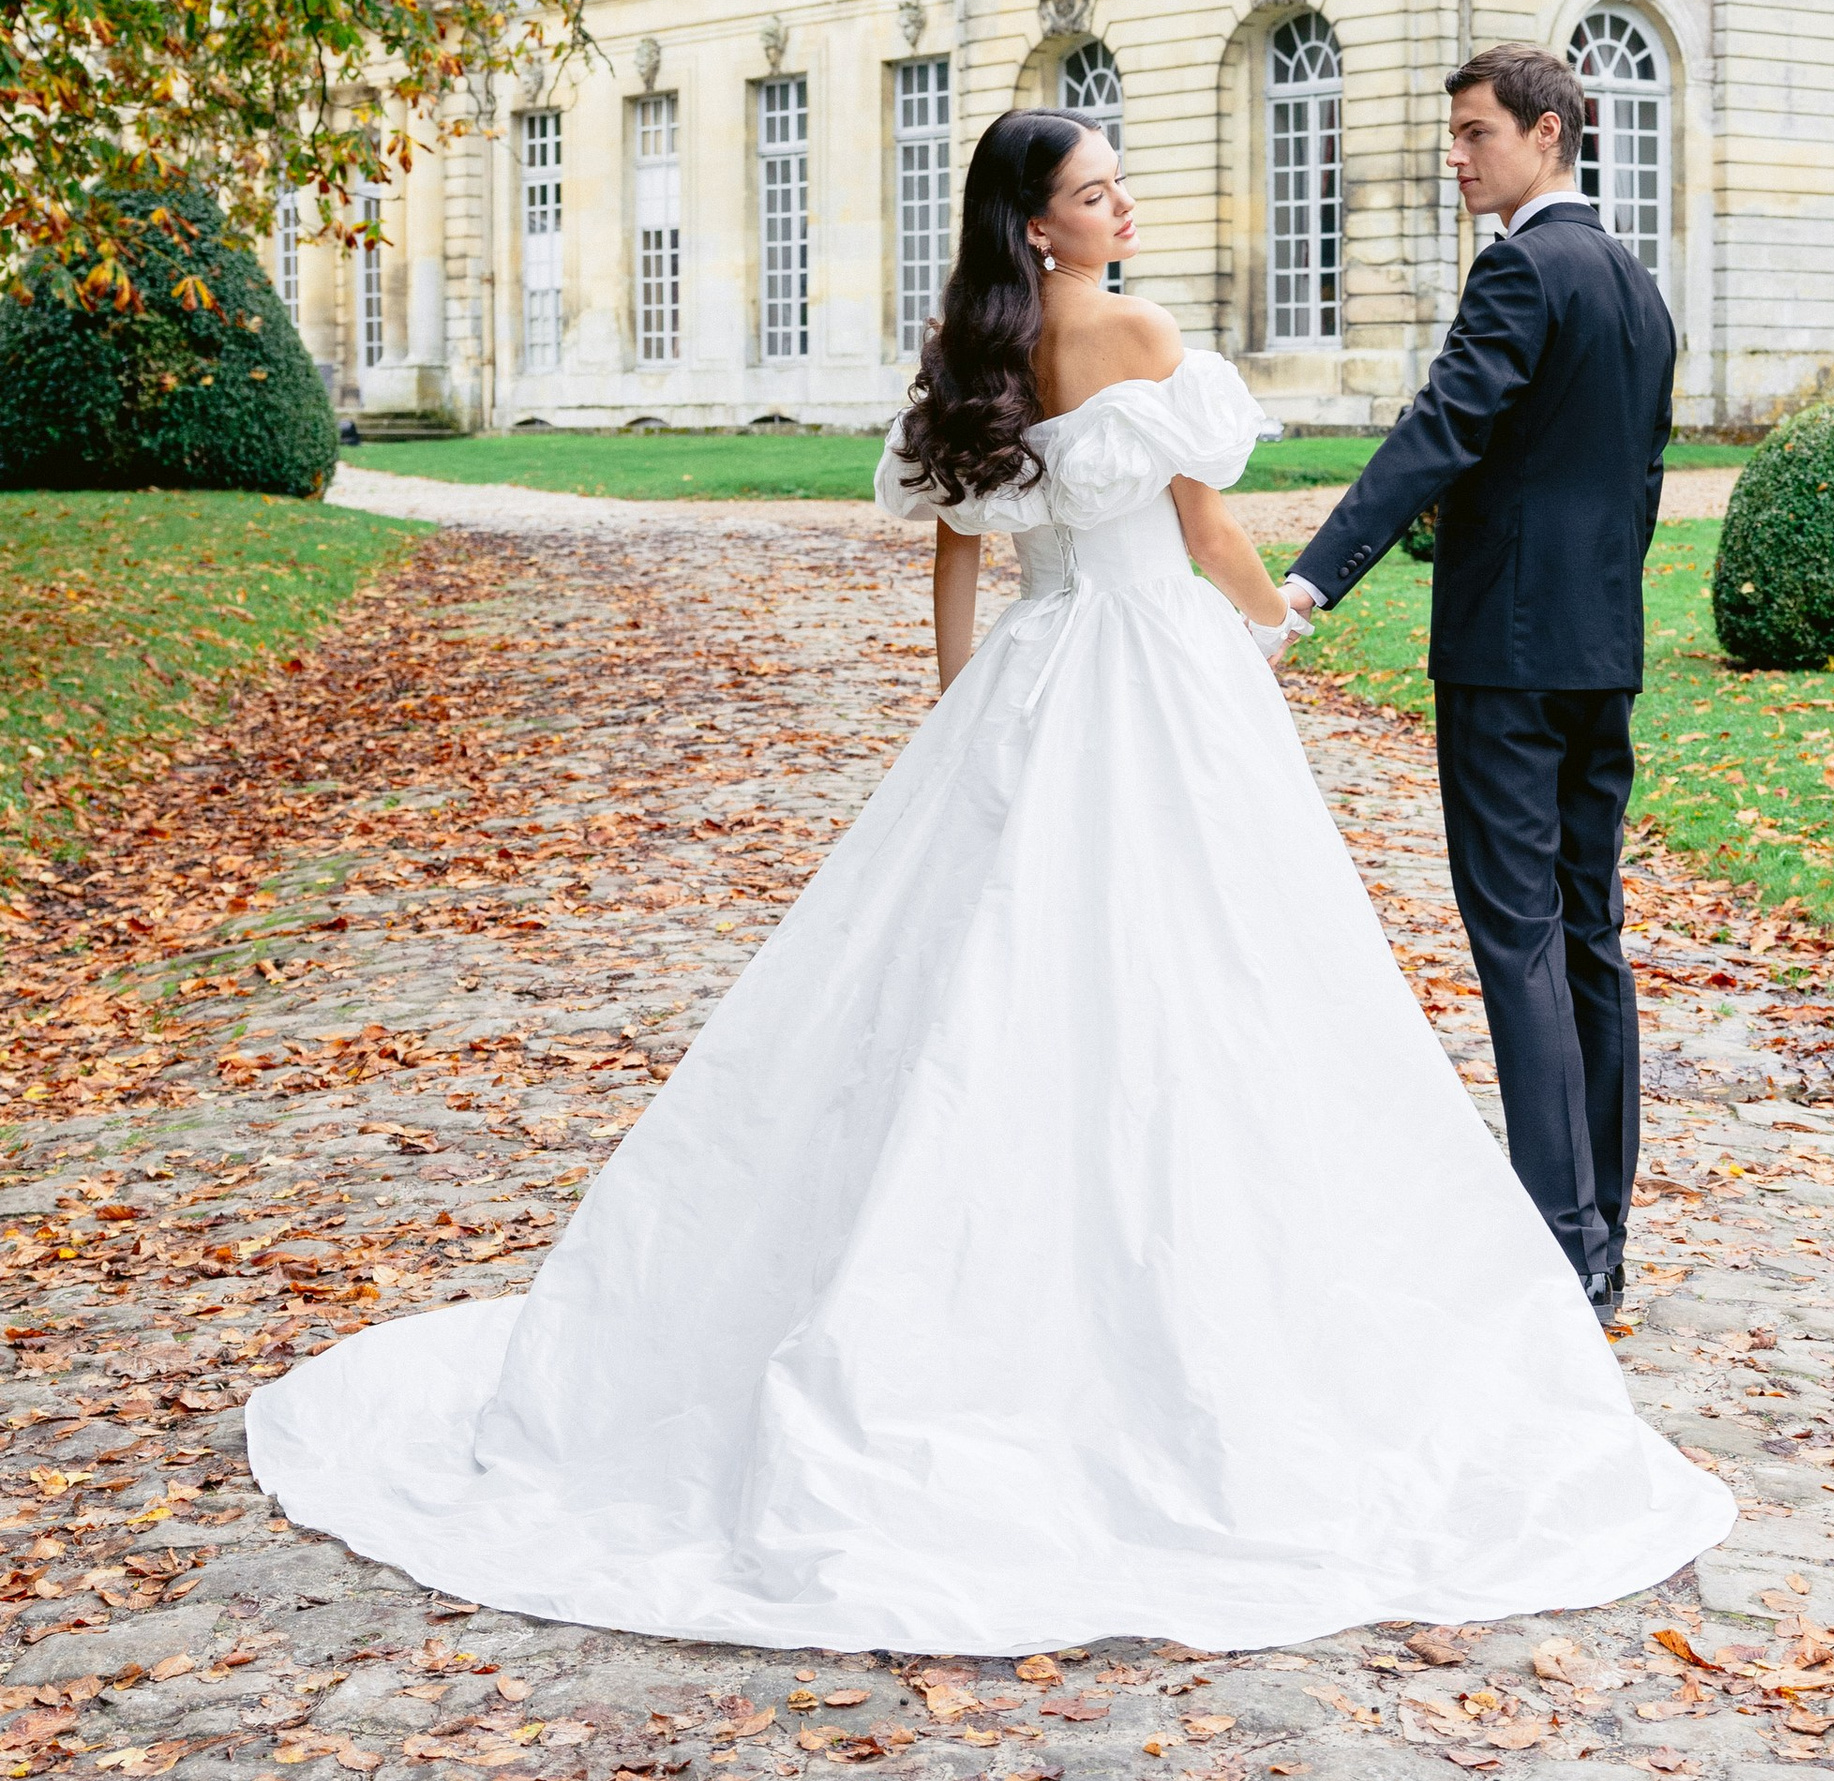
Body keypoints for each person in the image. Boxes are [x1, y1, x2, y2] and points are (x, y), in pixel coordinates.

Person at [246, 108, 1728, 1653]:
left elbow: (958, 551)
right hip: (1156, 672)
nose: (1123, 202)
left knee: (980, 977)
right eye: (1096, 191)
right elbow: (1198, 513)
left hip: (1034, 668)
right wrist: (1271, 617)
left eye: (1117, 181)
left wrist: (963, 715)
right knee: (1213, 975)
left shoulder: (970, 355)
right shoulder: (1141, 333)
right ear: (1042, 226)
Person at [1282, 45, 1677, 1322]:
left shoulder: (1518, 267)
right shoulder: (1635, 286)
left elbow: (1444, 428)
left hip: (1508, 660)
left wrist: (1309, 581)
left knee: (1519, 937)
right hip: (1598, 650)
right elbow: (1634, 484)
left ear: (1548, 135)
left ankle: (1561, 1247)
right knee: (1590, 932)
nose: (1455, 158)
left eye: (1474, 135)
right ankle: (1602, 1228)